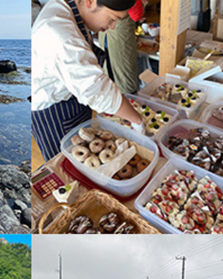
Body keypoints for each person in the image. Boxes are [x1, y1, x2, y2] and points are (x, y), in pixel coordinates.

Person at [31, 0, 144, 160]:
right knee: (66, 165)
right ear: (90, 1)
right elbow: (97, 91)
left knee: (88, 155)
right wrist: (137, 120)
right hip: (54, 111)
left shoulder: (70, 8)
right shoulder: (60, 34)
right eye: (112, 19)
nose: (112, 27)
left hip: (72, 98)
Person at [98, 0, 143, 94]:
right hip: (120, 27)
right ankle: (128, 101)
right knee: (124, 68)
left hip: (103, 25)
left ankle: (113, 99)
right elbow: (136, 14)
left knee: (107, 65)